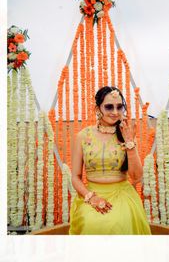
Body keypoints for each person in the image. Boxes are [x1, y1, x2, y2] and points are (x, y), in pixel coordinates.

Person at [69, 86, 151, 235]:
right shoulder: (83, 136)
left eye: (119, 107)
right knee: (90, 222)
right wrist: (90, 197)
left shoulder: (126, 134)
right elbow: (75, 177)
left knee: (121, 221)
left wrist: (130, 145)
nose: (115, 112)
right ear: (97, 109)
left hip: (123, 195)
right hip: (92, 194)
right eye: (109, 107)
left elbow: (137, 176)